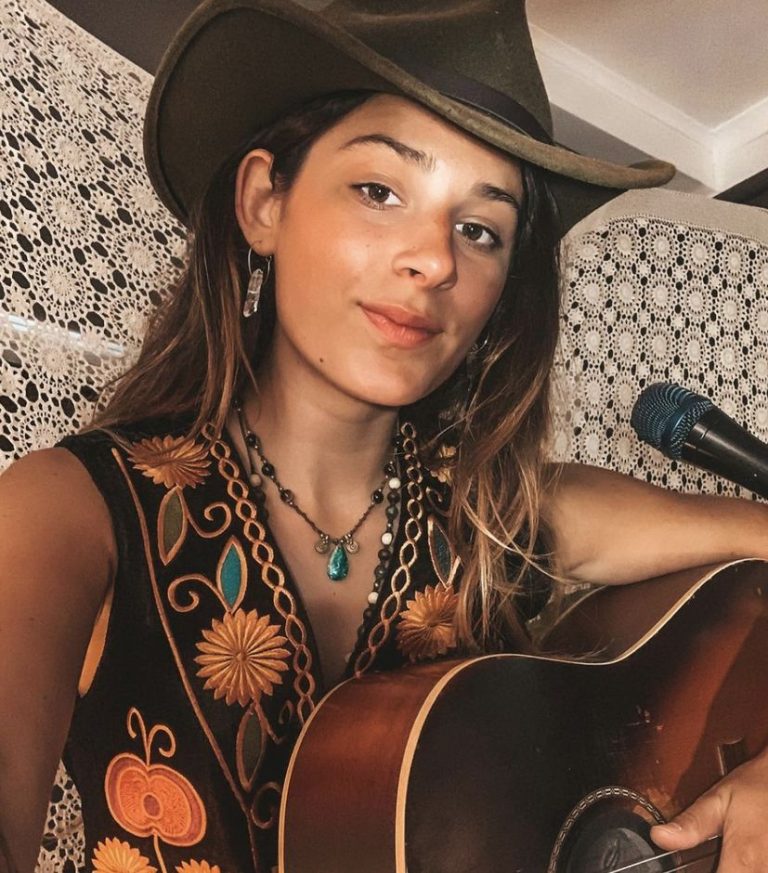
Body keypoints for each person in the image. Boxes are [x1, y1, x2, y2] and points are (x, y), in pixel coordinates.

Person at [1, 1, 768, 872]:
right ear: (263, 202)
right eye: (380, 191)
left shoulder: (504, 515)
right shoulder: (71, 512)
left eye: (480, 231)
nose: (435, 260)